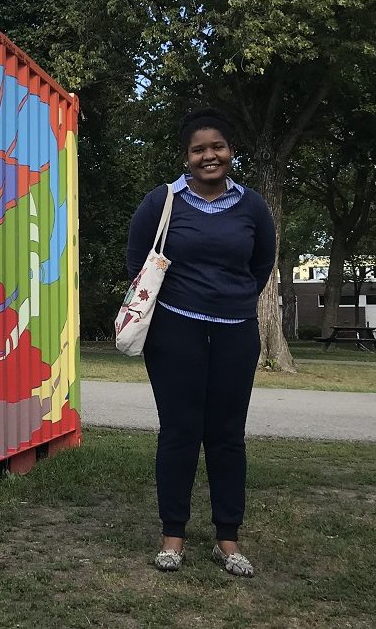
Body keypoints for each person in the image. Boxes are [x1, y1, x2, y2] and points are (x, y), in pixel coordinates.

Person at [126, 108, 276, 577]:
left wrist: (230, 300)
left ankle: (227, 540)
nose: (209, 156)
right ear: (186, 156)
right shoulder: (162, 201)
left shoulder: (252, 206)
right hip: (175, 332)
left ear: (231, 151)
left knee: (227, 436)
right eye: (199, 149)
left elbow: (262, 263)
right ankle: (173, 536)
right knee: (179, 431)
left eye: (217, 147)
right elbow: (137, 257)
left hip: (235, 331)